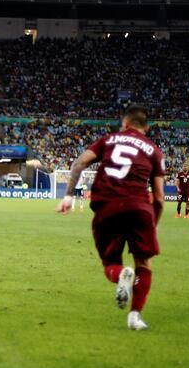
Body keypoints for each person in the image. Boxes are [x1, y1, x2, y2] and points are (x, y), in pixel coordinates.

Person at [56, 105, 165, 331]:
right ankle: (135, 317)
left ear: (124, 124)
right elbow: (160, 197)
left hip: (107, 207)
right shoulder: (154, 150)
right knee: (144, 263)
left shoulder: (108, 139)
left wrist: (67, 197)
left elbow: (79, 163)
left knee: (111, 263)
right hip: (138, 208)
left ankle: (121, 274)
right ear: (147, 127)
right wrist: (152, 224)